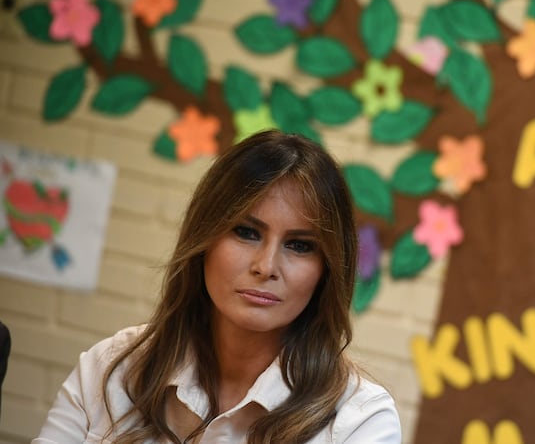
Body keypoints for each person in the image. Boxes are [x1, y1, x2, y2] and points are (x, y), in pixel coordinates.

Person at [34, 130, 402, 443]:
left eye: (300, 245)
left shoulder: (360, 421)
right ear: (204, 237)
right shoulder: (112, 368)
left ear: (327, 270)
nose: (266, 266)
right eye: (246, 232)